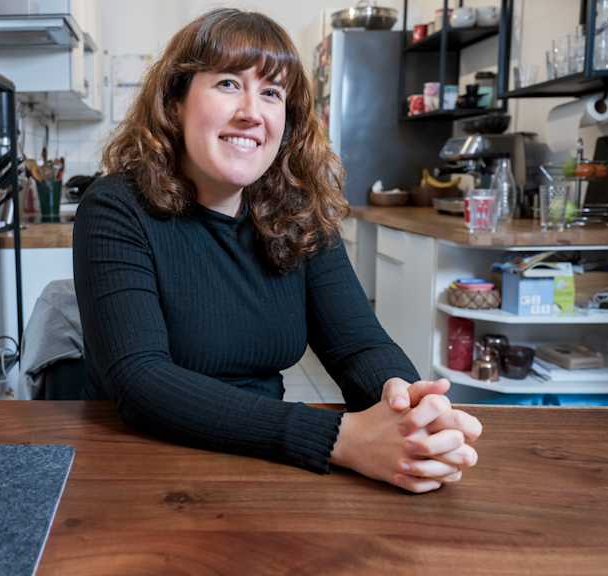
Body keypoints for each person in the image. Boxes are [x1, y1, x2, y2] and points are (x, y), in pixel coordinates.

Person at [72, 8, 482, 494]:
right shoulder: (116, 207)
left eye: (271, 92)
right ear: (175, 102)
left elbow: (359, 346)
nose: (252, 111)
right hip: (140, 464)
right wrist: (339, 438)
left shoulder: (297, 212)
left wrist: (409, 409)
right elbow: (140, 380)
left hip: (262, 461)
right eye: (228, 83)